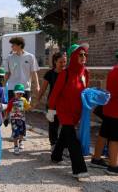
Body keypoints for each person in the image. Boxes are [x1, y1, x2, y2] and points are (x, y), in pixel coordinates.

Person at [47, 45, 90, 180]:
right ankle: (79, 169)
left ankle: (56, 155)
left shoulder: (85, 73)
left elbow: (84, 91)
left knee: (65, 134)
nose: (83, 57)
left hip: (76, 112)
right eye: (80, 54)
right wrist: (51, 110)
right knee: (72, 139)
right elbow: (55, 93)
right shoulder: (65, 73)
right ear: (73, 57)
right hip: (64, 111)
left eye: (85, 55)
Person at [91, 53, 118, 175]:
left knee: (104, 134)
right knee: (115, 138)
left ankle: (96, 159)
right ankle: (113, 166)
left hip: (108, 108)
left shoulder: (113, 70)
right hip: (116, 110)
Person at [37, 52, 67, 150]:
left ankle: (63, 144)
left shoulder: (67, 73)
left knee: (66, 125)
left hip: (64, 103)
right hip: (52, 104)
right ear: (55, 61)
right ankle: (53, 143)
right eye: (60, 62)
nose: (63, 64)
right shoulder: (50, 73)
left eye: (65, 62)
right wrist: (37, 100)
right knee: (53, 125)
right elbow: (43, 89)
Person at [4, 37, 40, 101]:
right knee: (13, 109)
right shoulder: (9, 58)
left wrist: (37, 85)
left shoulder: (30, 57)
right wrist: (4, 85)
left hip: (25, 88)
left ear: (20, 45)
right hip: (12, 88)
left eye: (13, 45)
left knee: (24, 108)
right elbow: (7, 73)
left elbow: (34, 72)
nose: (11, 47)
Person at [5, 84, 31, 155]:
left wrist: (29, 106)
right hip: (14, 120)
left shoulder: (24, 100)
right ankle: (16, 147)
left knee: (22, 132)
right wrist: (6, 118)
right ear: (14, 92)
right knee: (15, 133)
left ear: (23, 93)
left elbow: (28, 107)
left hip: (22, 119)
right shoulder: (11, 101)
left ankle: (21, 142)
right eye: (17, 93)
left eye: (21, 93)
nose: (19, 94)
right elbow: (8, 110)